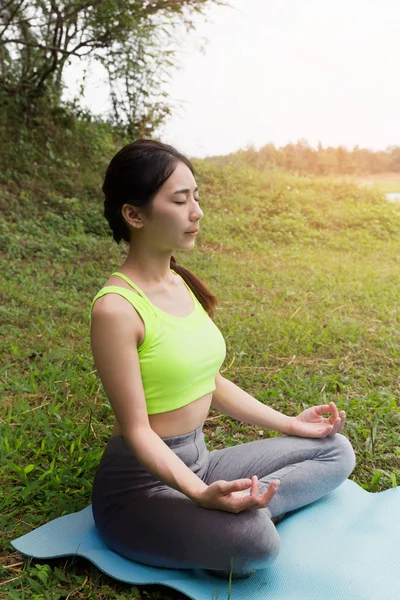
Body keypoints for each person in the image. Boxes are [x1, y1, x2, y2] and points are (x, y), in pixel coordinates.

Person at [89, 139, 356, 578]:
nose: (196, 211)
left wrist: (291, 424)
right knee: (257, 544)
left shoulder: (178, 283)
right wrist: (197, 494)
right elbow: (137, 431)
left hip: (200, 460)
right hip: (138, 488)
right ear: (134, 215)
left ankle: (237, 510)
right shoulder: (116, 309)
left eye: (196, 196)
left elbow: (209, 381)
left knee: (334, 450)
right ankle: (235, 517)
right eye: (180, 200)